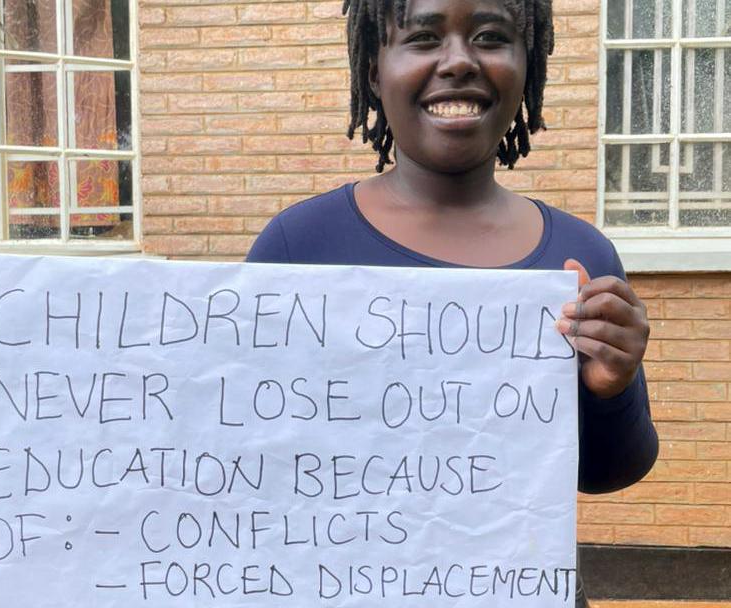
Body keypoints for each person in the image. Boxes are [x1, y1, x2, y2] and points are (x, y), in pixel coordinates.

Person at [246, 0, 659, 605]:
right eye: (422, 38)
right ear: (372, 72)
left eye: (492, 37)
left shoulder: (579, 255)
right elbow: (246, 469)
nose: (459, 60)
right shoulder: (297, 246)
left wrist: (612, 386)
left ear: (527, 65)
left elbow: (610, 471)